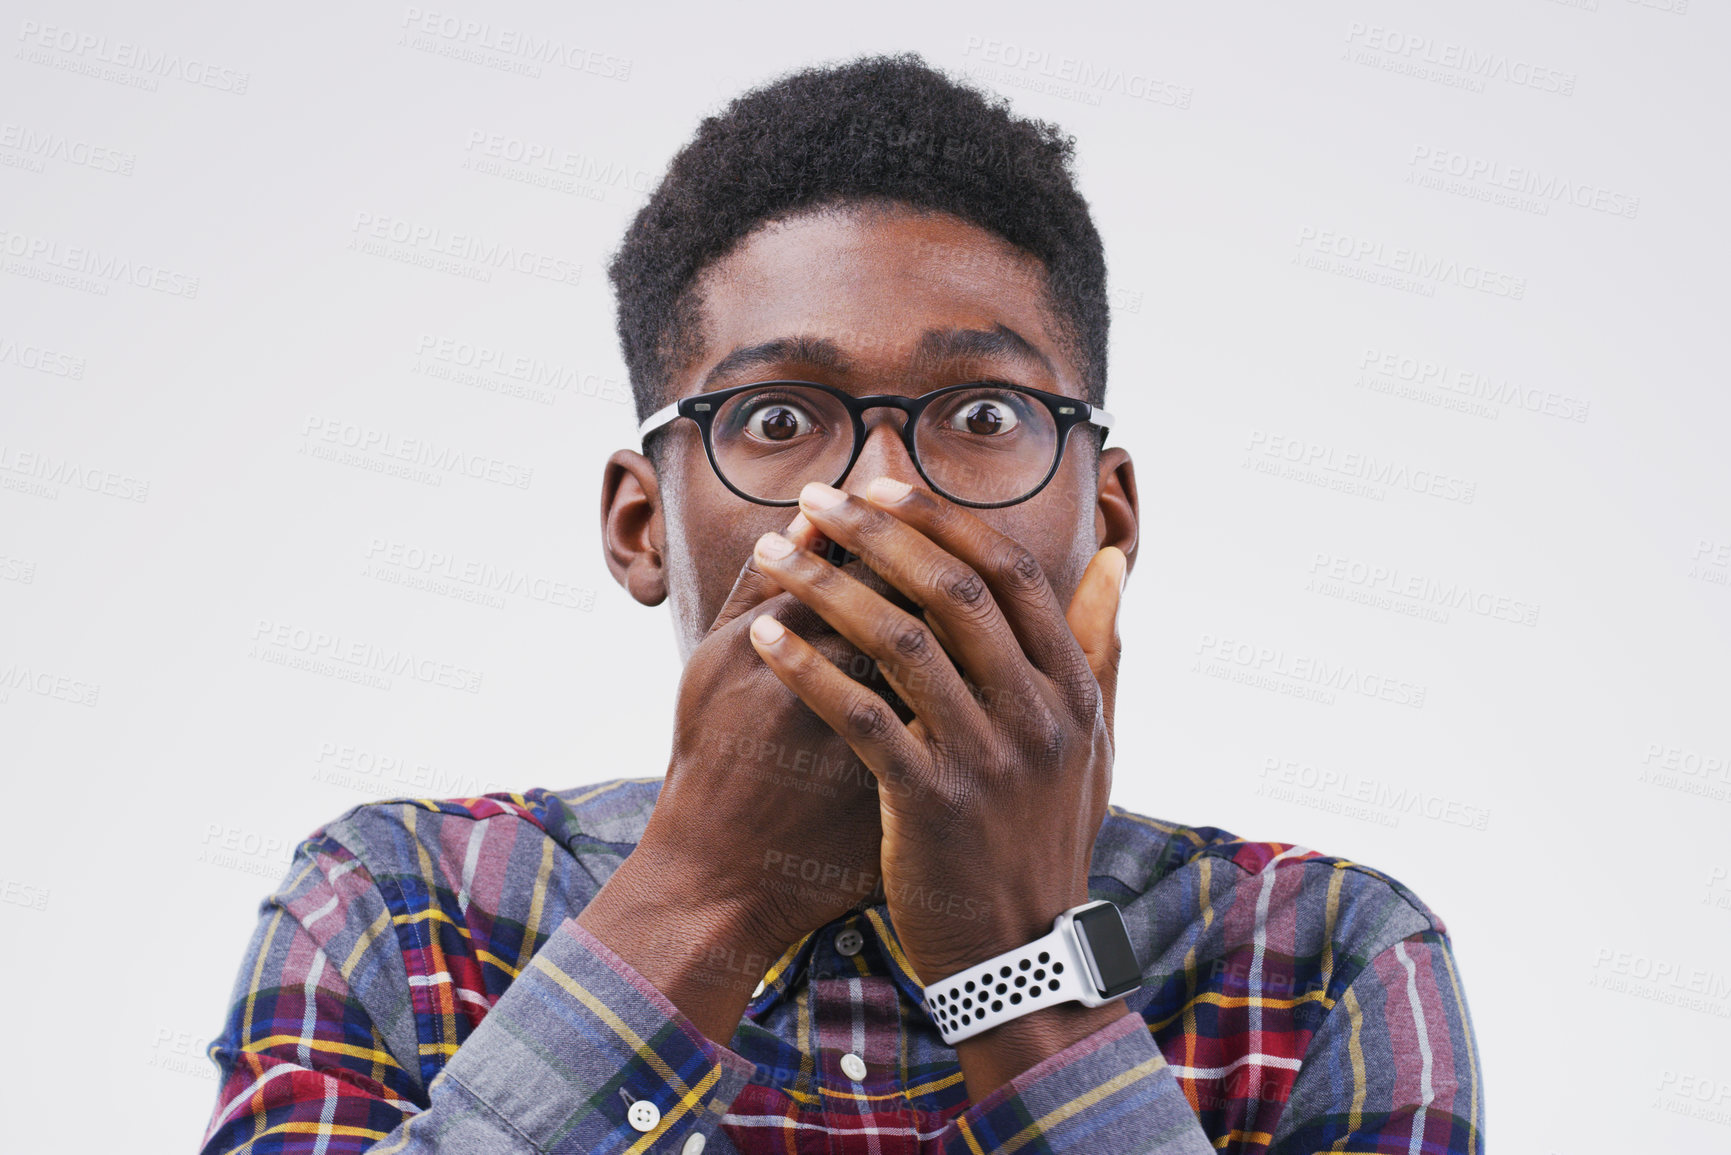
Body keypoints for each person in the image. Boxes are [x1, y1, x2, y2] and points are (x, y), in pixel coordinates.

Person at [199, 54, 1484, 1155]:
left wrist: (1021, 961)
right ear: (640, 524)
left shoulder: (1323, 956)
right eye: (775, 418)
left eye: (983, 416)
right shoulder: (397, 906)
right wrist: (705, 893)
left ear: (1111, 517)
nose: (876, 495)